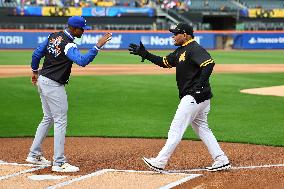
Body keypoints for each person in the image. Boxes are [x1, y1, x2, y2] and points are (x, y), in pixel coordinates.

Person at [128, 23, 231, 172]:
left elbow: (209, 64)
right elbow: (164, 62)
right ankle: (221, 159)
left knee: (176, 129)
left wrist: (200, 86)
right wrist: (145, 54)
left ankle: (160, 161)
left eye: (176, 33)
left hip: (193, 97)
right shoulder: (181, 51)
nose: (173, 36)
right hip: (200, 98)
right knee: (203, 129)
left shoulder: (194, 48)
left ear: (185, 35)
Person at [26, 16, 112, 172]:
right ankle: (59, 162)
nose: (84, 31)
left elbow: (36, 54)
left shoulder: (53, 36)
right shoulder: (68, 44)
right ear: (74, 29)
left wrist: (34, 71)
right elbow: (82, 61)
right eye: (82, 29)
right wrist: (98, 46)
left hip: (43, 80)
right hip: (53, 84)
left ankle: (34, 154)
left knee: (48, 117)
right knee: (60, 120)